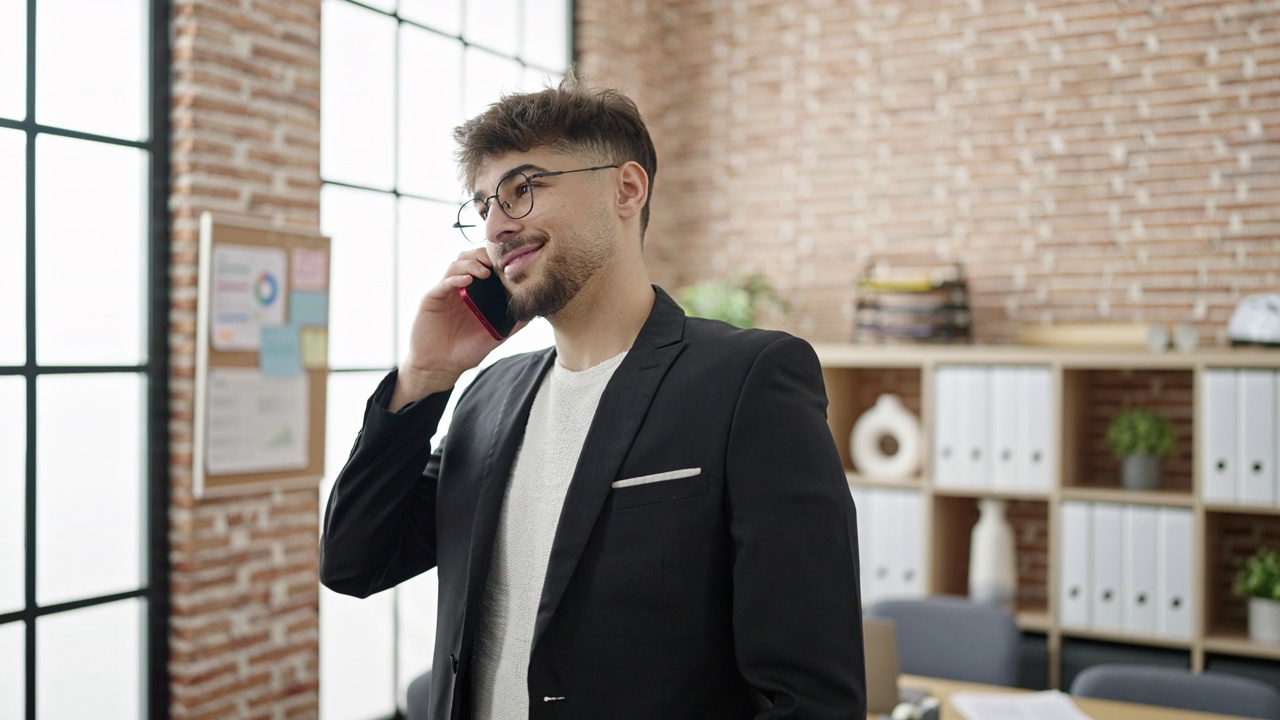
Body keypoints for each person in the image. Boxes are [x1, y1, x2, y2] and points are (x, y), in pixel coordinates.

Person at [319, 73, 866, 719]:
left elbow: (812, 697)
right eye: (485, 204)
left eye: (524, 189)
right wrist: (425, 376)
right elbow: (354, 562)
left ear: (626, 189)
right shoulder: (488, 397)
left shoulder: (748, 380)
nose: (496, 225)